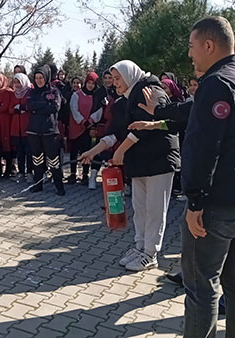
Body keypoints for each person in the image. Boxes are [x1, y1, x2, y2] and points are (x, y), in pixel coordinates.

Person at [180, 16, 235, 338]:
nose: (190, 54)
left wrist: (195, 201)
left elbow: (202, 148)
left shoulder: (218, 83)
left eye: (192, 46)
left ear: (208, 45)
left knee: (202, 288)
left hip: (219, 204)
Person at [80, 60, 179, 271]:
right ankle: (140, 246)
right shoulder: (123, 101)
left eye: (118, 79)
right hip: (140, 162)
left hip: (160, 160)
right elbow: (114, 132)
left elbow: (144, 127)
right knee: (140, 207)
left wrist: (121, 150)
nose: (115, 83)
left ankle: (151, 253)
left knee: (155, 209)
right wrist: (92, 152)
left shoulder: (150, 91)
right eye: (113, 79)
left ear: (130, 75)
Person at [27, 65, 65, 196]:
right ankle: (38, 185)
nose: (39, 80)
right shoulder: (31, 92)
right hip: (34, 131)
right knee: (37, 159)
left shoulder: (54, 91)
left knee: (53, 160)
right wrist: (44, 105)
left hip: (50, 131)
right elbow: (29, 106)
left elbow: (55, 107)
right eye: (36, 78)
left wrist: (38, 108)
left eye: (41, 77)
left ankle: (59, 186)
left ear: (46, 78)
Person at [68, 72, 98, 187]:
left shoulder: (95, 96)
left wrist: (90, 121)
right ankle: (72, 173)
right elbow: (74, 109)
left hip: (88, 128)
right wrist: (82, 121)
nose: (90, 86)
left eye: (93, 83)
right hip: (76, 126)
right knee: (74, 151)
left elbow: (98, 111)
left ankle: (85, 174)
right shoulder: (76, 95)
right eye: (89, 83)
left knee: (86, 151)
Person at [10, 73, 32, 182]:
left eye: (19, 82)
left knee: (29, 151)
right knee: (20, 152)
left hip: (26, 127)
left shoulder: (29, 92)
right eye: (15, 82)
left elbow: (31, 106)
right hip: (16, 127)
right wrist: (15, 109)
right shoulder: (14, 94)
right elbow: (9, 108)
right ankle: (21, 172)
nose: (17, 85)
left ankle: (29, 172)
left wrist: (24, 108)